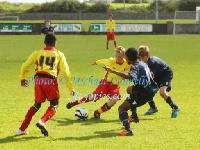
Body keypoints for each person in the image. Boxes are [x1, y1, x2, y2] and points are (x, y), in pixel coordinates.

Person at [16, 34, 74, 136]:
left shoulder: (37, 53)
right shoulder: (59, 54)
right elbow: (66, 72)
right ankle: (41, 121)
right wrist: (71, 89)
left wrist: (23, 78)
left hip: (38, 81)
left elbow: (24, 65)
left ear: (44, 42)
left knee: (36, 105)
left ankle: (21, 129)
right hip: (50, 81)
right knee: (54, 104)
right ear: (55, 43)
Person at [104, 47, 159, 136]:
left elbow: (130, 76)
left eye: (125, 57)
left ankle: (128, 130)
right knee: (129, 89)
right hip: (150, 90)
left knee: (121, 109)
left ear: (129, 58)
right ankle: (134, 115)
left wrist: (114, 71)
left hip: (142, 93)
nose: (125, 59)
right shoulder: (142, 63)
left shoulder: (135, 66)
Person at [66, 46, 131, 119]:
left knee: (114, 99)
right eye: (117, 57)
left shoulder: (127, 64)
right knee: (92, 97)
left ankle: (97, 112)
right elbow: (103, 61)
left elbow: (128, 73)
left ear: (124, 56)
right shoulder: (111, 61)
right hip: (105, 84)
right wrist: (96, 62)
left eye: (120, 57)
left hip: (115, 86)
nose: (118, 59)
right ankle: (75, 103)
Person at [137, 45, 180, 118]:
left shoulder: (153, 63)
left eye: (142, 58)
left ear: (147, 56)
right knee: (145, 89)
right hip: (157, 75)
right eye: (139, 58)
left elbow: (149, 77)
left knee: (162, 92)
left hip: (165, 74)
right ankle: (153, 108)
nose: (141, 60)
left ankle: (175, 107)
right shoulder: (142, 60)